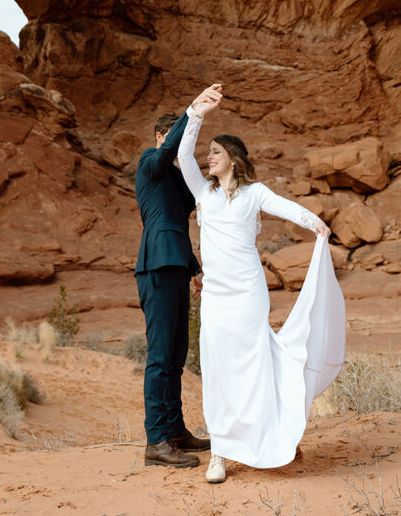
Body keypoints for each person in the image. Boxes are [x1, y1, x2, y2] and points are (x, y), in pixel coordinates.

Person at [177, 83, 346, 484]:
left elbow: (286, 208)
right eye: (209, 152)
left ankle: (268, 435)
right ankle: (220, 451)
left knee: (253, 367)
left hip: (249, 295)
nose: (208, 157)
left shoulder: (254, 194)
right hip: (216, 296)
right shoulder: (203, 193)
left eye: (215, 152)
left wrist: (315, 224)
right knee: (218, 370)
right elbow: (183, 154)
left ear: (232, 158)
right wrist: (196, 112)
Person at [134, 94, 215, 468]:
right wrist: (192, 113)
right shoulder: (149, 162)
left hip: (177, 266)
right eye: (169, 137)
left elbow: (180, 227)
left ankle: (175, 430)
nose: (175, 144)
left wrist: (195, 269)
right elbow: (169, 150)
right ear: (158, 136)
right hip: (156, 265)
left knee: (177, 356)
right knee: (161, 356)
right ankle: (156, 441)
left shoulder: (179, 181)